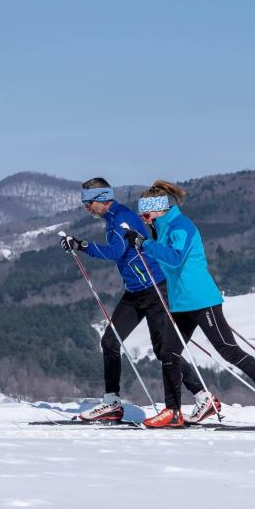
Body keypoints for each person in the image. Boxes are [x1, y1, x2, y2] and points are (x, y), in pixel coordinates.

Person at [131, 180, 255, 427]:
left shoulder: (180, 226)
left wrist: (146, 244)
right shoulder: (161, 229)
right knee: (168, 353)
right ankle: (173, 411)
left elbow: (175, 259)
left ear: (159, 210)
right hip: (181, 303)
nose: (143, 219)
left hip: (201, 300)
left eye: (145, 214)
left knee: (228, 350)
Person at [61, 177, 204, 426]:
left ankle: (203, 397)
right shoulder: (112, 217)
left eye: (88, 202)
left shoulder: (120, 219)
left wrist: (82, 245)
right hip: (135, 291)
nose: (86, 207)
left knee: (163, 350)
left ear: (103, 199)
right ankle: (112, 403)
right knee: (109, 341)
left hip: (154, 288)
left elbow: (116, 251)